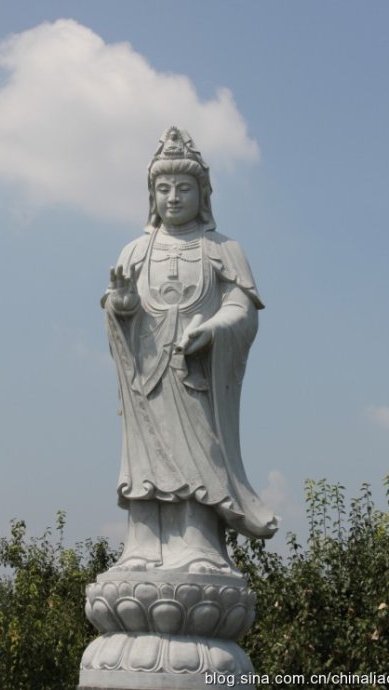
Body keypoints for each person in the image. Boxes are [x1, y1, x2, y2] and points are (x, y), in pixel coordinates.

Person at [101, 127, 277, 574]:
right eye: (163, 188)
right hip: (147, 377)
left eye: (184, 188)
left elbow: (242, 310)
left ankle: (199, 543)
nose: (173, 197)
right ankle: (142, 543)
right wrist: (122, 305)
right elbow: (119, 308)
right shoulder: (135, 251)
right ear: (152, 196)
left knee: (199, 455)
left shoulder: (223, 249)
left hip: (195, 373)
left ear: (203, 195)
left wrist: (213, 328)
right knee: (144, 457)